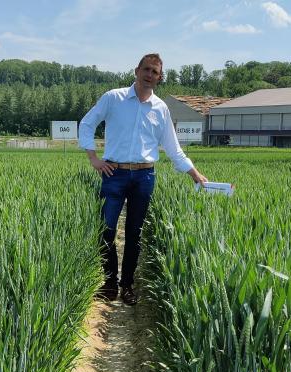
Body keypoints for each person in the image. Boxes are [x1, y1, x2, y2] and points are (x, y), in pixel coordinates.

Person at [79, 53, 208, 305]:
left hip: (144, 176)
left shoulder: (161, 109)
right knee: (105, 231)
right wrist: (93, 158)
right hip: (113, 173)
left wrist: (194, 174)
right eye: (147, 69)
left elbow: (173, 148)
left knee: (134, 234)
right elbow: (87, 123)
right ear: (136, 70)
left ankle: (127, 285)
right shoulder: (113, 98)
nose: (150, 75)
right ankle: (109, 283)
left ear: (159, 78)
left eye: (155, 72)